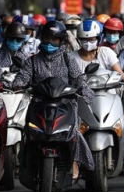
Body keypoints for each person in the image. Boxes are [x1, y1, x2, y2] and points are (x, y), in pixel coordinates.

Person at [12, 21, 95, 182]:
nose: (50, 42)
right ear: (42, 38)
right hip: (39, 104)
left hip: (65, 104)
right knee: (27, 132)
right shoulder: (33, 60)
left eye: (54, 39)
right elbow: (22, 76)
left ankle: (75, 162)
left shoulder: (67, 59)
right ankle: (26, 162)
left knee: (74, 132)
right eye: (48, 38)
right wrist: (18, 84)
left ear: (61, 41)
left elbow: (78, 78)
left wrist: (84, 90)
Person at [69, 19, 124, 187]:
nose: (88, 43)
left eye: (92, 39)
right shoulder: (72, 58)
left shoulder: (106, 53)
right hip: (81, 101)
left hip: (109, 97)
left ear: (98, 38)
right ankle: (73, 167)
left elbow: (118, 72)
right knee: (71, 129)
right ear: (78, 40)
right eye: (84, 40)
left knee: (122, 128)